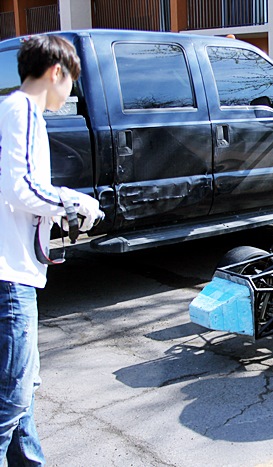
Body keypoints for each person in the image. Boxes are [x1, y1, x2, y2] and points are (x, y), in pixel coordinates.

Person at [0, 35, 103, 465]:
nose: (71, 93)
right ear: (56, 72)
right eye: (72, 82)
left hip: (17, 270)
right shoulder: (20, 109)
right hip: (10, 276)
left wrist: (58, 208)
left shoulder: (23, 113)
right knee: (11, 398)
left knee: (21, 392)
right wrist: (73, 201)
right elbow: (20, 188)